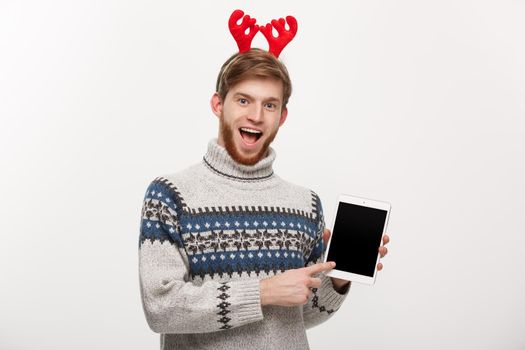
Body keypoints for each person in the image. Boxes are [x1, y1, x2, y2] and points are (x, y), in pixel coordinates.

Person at [139, 12, 389, 350]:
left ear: (282, 116)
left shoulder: (305, 204)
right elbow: (160, 308)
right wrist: (263, 292)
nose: (256, 116)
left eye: (269, 105)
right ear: (218, 104)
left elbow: (303, 315)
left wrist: (340, 278)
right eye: (243, 100)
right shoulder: (171, 195)